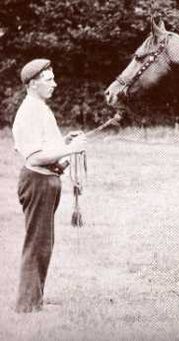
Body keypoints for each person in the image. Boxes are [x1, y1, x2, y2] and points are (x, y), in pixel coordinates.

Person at [11, 59, 87, 313]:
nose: (54, 83)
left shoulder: (40, 108)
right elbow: (34, 157)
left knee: (44, 242)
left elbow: (44, 146)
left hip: (47, 181)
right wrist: (70, 149)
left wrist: (64, 142)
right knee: (38, 242)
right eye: (49, 79)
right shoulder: (30, 111)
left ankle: (35, 298)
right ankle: (27, 304)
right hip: (38, 181)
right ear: (33, 84)